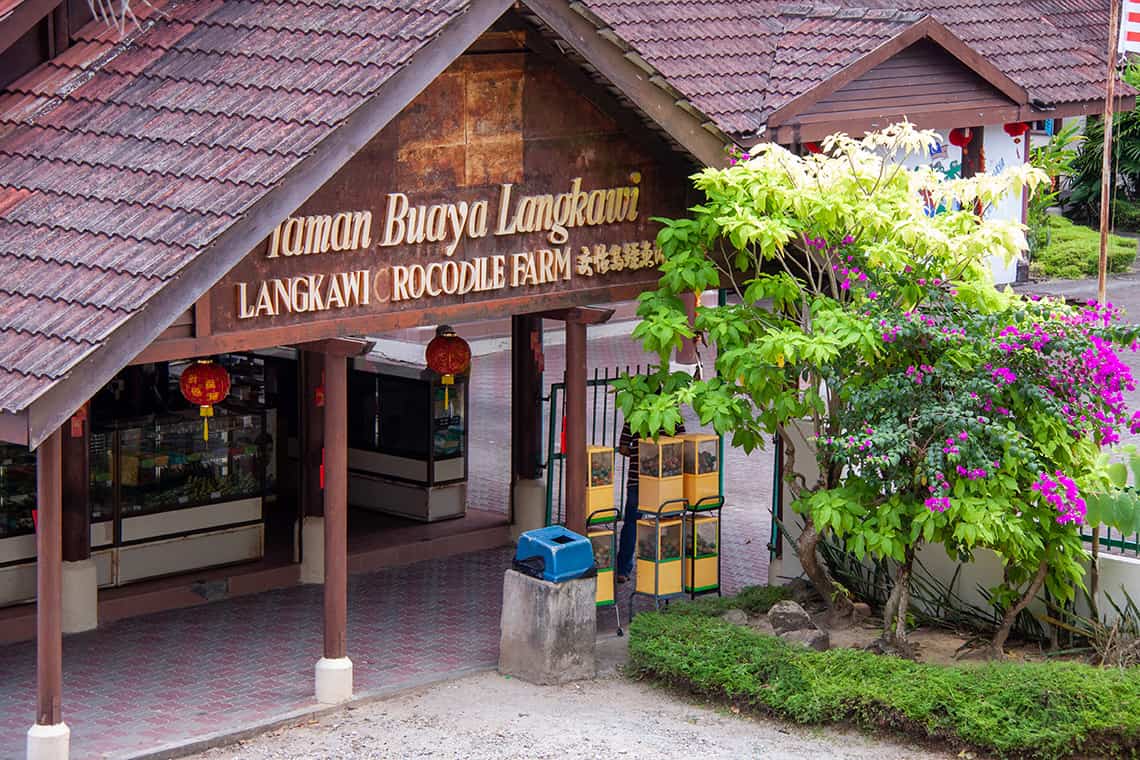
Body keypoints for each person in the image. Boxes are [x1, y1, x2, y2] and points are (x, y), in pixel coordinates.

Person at [615, 418, 684, 583]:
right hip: (666, 480)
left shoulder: (635, 414)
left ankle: (623, 570)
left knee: (632, 523)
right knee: (668, 522)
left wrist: (642, 453)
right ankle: (667, 567)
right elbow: (682, 442)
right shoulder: (673, 414)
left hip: (638, 479)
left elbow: (623, 448)